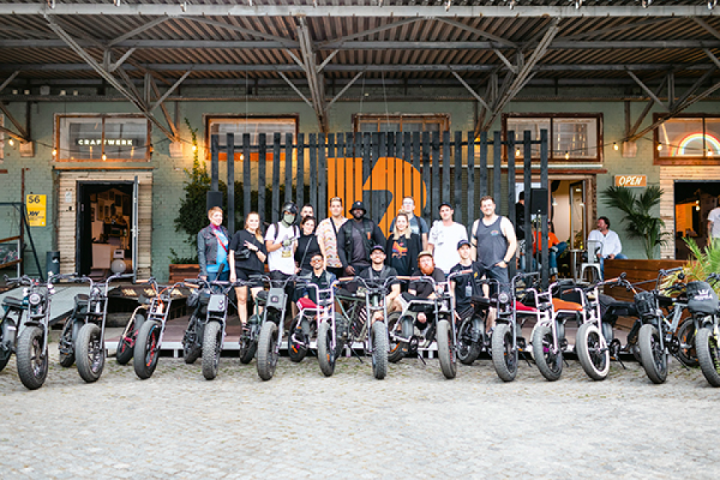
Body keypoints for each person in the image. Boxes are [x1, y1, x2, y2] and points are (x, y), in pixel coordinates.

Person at [229, 212, 267, 328]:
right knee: (242, 298)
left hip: (256, 271)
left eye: (256, 221)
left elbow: (263, 258)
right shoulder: (239, 234)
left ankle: (256, 324)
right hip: (240, 269)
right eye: (251, 220)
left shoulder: (261, 238)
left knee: (259, 299)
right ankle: (244, 325)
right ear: (246, 222)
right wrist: (232, 272)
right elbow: (231, 253)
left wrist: (255, 249)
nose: (254, 223)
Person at [470, 196, 517, 288]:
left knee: (503, 295)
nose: (487, 208)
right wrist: (473, 264)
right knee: (481, 296)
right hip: (481, 268)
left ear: (494, 206)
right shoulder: (477, 224)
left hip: (498, 267)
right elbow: (473, 245)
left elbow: (513, 242)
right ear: (481, 208)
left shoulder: (503, 222)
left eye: (489, 205)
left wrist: (505, 261)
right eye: (484, 206)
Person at [393, 251, 446, 329]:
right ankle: (399, 329)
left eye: (428, 260)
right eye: (423, 261)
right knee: (402, 298)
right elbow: (411, 295)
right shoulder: (415, 275)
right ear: (419, 264)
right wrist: (419, 309)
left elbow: (438, 292)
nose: (426, 263)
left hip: (433, 304)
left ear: (432, 262)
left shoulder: (438, 272)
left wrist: (423, 306)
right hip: (418, 305)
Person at [336, 200, 385, 277]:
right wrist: (345, 266)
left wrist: (377, 262)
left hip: (369, 266)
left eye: (360, 209)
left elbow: (382, 243)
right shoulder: (345, 226)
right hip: (352, 266)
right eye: (355, 209)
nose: (358, 211)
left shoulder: (371, 224)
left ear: (363, 211)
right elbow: (340, 248)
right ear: (352, 212)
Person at [358, 245, 401, 321]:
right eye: (375, 253)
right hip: (369, 305)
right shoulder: (364, 273)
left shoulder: (391, 271)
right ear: (371, 256)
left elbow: (396, 290)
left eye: (380, 253)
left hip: (386, 304)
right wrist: (368, 304)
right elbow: (360, 291)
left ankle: (379, 317)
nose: (377, 255)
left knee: (398, 301)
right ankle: (376, 316)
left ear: (384, 256)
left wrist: (386, 299)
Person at [449, 240, 487, 321]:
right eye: (462, 249)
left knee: (492, 311)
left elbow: (484, 283)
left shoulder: (478, 266)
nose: (465, 251)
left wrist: (486, 297)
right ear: (458, 251)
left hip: (478, 303)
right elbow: (452, 291)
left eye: (467, 248)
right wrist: (453, 309)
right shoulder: (455, 270)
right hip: (462, 307)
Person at [427, 202, 468, 275]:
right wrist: (430, 264)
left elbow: (465, 249)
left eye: (447, 210)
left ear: (452, 211)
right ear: (440, 213)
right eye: (442, 211)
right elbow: (430, 247)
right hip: (439, 267)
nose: (445, 213)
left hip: (456, 267)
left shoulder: (460, 228)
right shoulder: (435, 228)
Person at [265, 202, 300, 276]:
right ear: (283, 213)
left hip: (290, 269)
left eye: (293, 214)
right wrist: (281, 244)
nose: (290, 216)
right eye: (288, 213)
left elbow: (293, 250)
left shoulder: (295, 229)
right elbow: (268, 248)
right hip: (277, 268)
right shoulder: (274, 227)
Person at [317, 197, 348, 279]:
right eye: (333, 206)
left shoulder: (348, 223)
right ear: (330, 208)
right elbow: (319, 241)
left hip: (345, 265)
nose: (335, 208)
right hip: (328, 264)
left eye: (338, 206)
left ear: (342, 208)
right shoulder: (323, 224)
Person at [197, 206, 230, 281]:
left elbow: (231, 247)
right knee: (212, 288)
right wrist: (203, 272)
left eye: (220, 216)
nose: (219, 218)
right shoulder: (203, 232)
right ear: (210, 217)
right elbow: (201, 253)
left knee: (224, 289)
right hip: (210, 270)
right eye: (216, 216)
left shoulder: (225, 231)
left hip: (225, 269)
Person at [385, 212, 422, 277]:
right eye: (399, 221)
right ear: (395, 224)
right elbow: (387, 257)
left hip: (410, 274)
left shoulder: (414, 237)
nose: (401, 224)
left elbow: (419, 255)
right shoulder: (391, 238)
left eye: (403, 221)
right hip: (393, 275)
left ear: (407, 223)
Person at [515, 192, 527, 270]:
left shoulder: (513, 208)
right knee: (520, 256)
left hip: (513, 236)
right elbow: (523, 224)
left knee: (516, 257)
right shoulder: (523, 210)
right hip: (519, 237)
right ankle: (519, 275)